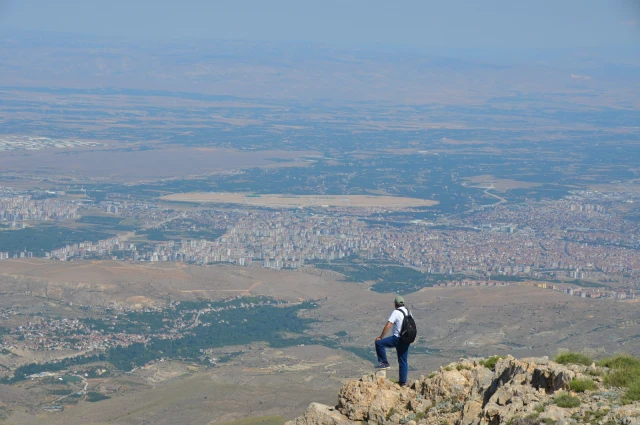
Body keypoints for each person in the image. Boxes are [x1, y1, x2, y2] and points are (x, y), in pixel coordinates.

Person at [374, 295, 410, 386]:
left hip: (397, 338)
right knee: (403, 361)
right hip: (406, 339)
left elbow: (388, 325)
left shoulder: (396, 312)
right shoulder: (408, 311)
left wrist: (381, 337)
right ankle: (403, 383)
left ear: (395, 304)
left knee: (379, 343)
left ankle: (384, 362)